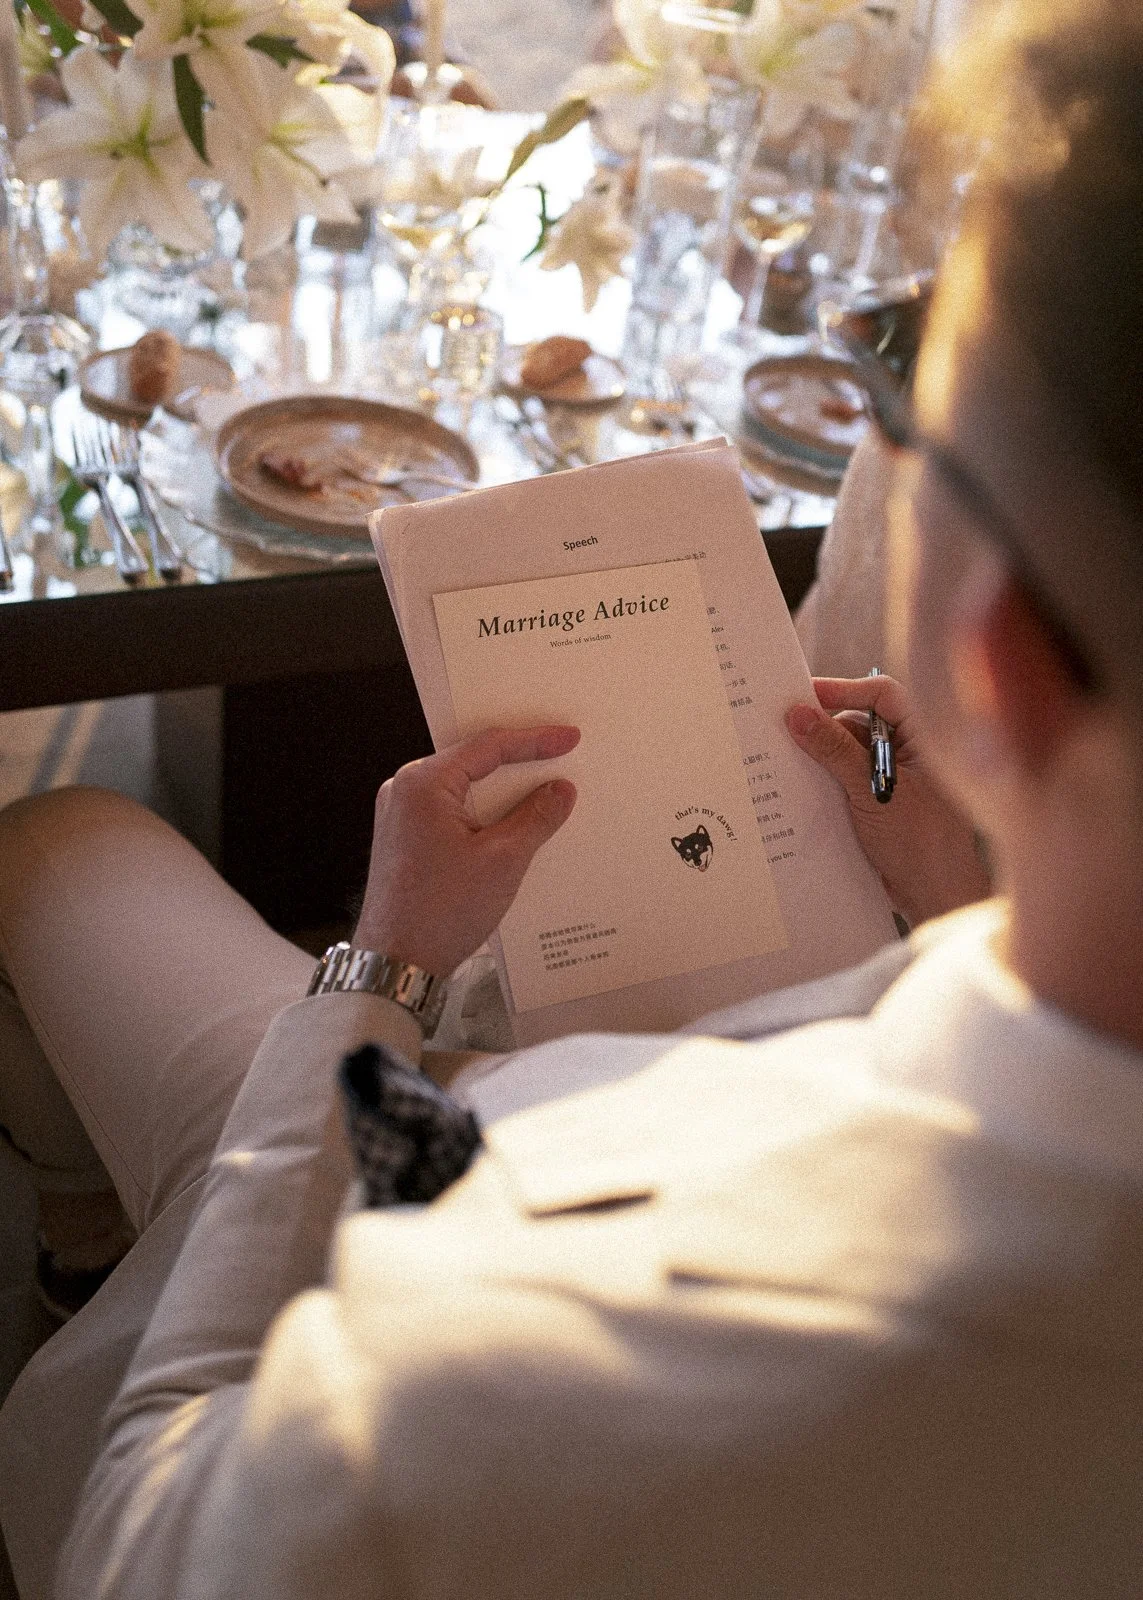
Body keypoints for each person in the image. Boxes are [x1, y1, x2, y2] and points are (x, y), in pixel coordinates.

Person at [3, 0, 1143, 1591]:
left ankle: (94, 1247)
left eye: (899, 395)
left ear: (995, 655)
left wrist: (378, 977)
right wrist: (963, 893)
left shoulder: (532, 1355)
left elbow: (148, 1533)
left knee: (58, 845)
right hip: (627, 1062)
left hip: (388, 1156)